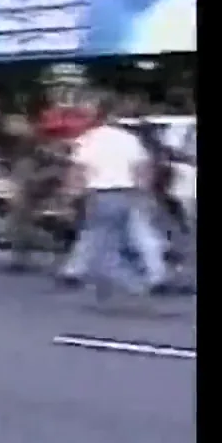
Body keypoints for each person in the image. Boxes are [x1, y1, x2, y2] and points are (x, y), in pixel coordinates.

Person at [66, 93, 154, 307]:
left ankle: (136, 286)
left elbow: (78, 170)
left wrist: (71, 195)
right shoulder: (130, 139)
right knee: (111, 243)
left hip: (100, 196)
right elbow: (143, 169)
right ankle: (102, 293)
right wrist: (142, 194)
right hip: (125, 195)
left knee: (100, 249)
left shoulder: (89, 139)